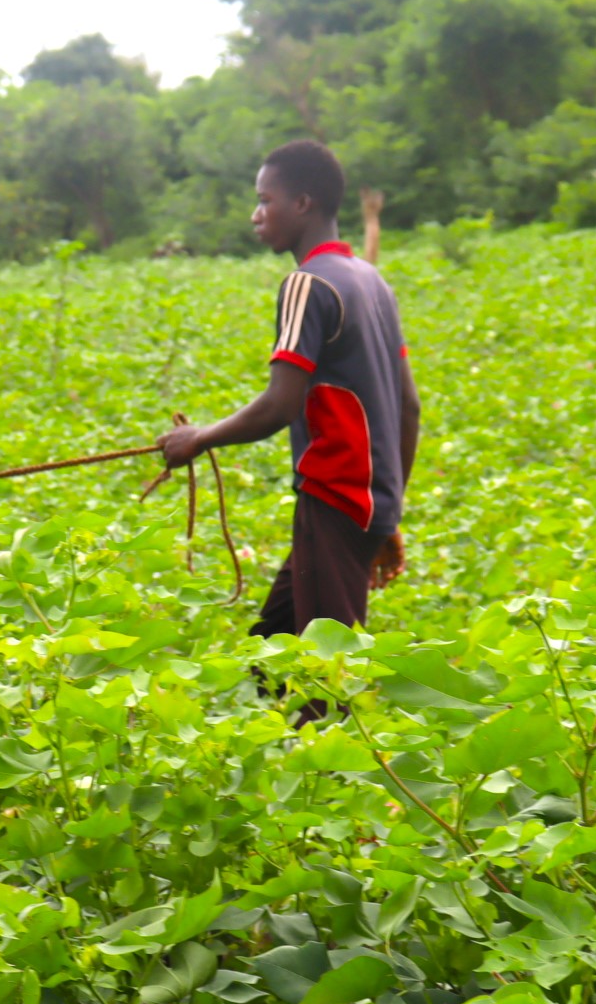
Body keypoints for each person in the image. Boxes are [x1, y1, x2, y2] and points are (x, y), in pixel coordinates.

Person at [158, 140, 420, 635]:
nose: (256, 215)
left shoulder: (307, 285)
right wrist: (386, 511)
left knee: (325, 679)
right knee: (272, 652)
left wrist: (200, 438)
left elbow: (281, 404)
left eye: (265, 200)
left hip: (334, 499)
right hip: (363, 505)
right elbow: (409, 407)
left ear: (303, 203)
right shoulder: (373, 282)